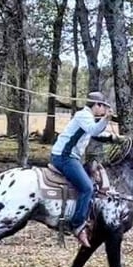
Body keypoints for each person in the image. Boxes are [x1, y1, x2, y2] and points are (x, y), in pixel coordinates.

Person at [51, 91, 119, 248]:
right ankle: (78, 225)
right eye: (104, 107)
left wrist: (113, 138)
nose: (104, 111)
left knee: (91, 183)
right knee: (87, 188)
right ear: (97, 105)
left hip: (69, 156)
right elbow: (94, 130)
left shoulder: (87, 117)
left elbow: (96, 133)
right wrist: (106, 118)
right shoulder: (84, 115)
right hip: (65, 157)